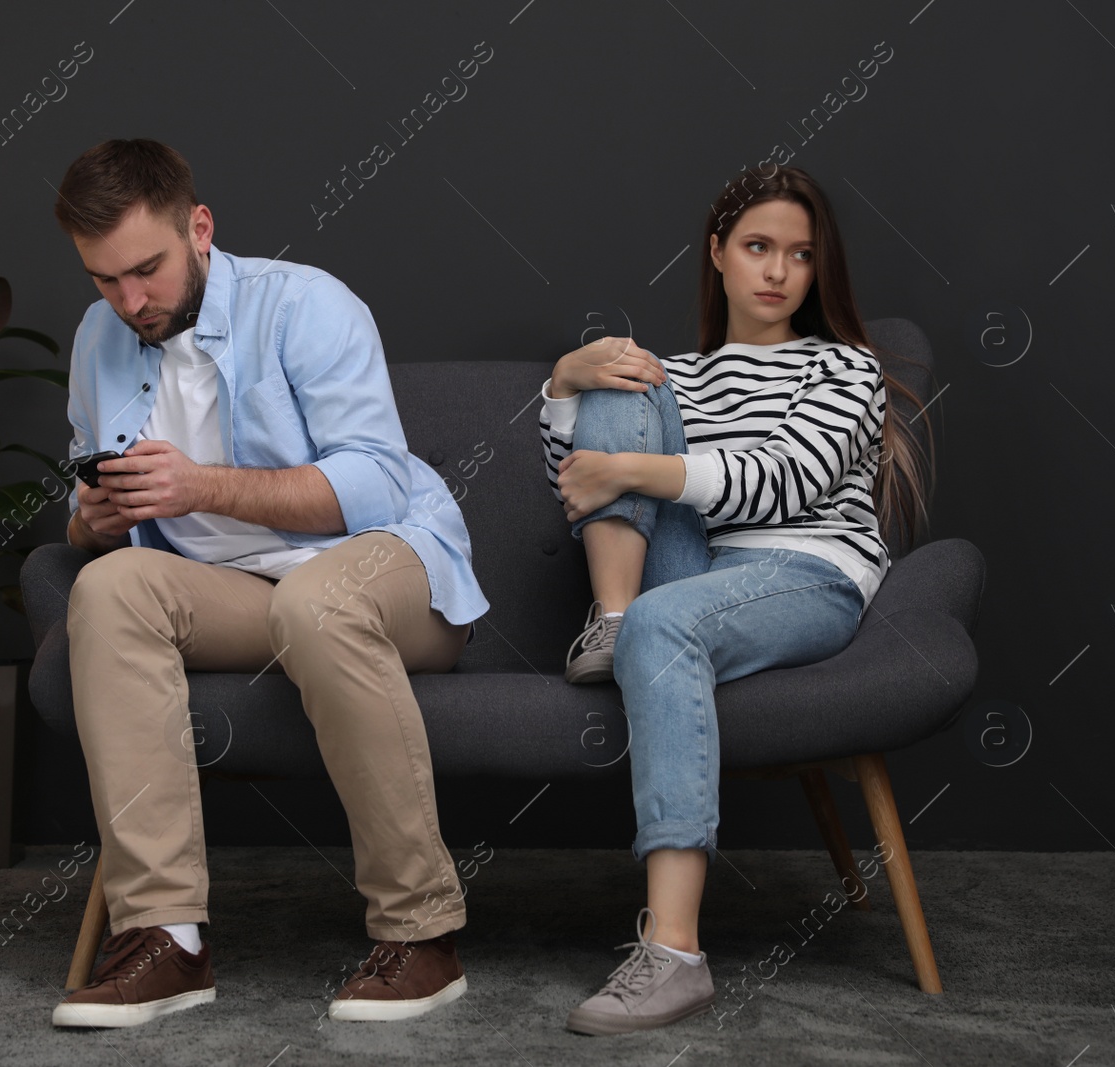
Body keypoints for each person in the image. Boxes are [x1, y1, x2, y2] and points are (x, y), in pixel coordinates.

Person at [50, 139, 489, 1029]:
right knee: (106, 587)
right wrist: (90, 519)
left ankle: (423, 937)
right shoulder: (100, 337)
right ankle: (165, 939)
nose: (131, 302)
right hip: (245, 595)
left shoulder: (307, 305)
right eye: (105, 280)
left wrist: (201, 485)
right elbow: (82, 496)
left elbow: (373, 485)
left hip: (391, 566)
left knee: (315, 599)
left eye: (147, 270)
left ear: (199, 229)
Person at [537, 165, 930, 1034]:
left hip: (805, 571)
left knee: (666, 618)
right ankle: (612, 620)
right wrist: (568, 380)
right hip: (696, 566)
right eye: (758, 247)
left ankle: (674, 953)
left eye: (799, 253)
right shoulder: (674, 376)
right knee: (617, 371)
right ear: (717, 254)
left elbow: (779, 481)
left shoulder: (843, 366)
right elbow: (579, 485)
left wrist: (630, 469)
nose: (778, 272)